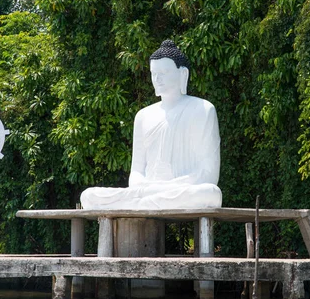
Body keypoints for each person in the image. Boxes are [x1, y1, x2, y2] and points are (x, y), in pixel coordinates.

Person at [80, 40, 222, 210]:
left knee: (210, 193)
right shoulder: (143, 116)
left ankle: (140, 203)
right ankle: (144, 202)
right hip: (149, 192)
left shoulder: (203, 109)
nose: (158, 78)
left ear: (183, 74)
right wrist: (145, 188)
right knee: (88, 196)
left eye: (164, 72)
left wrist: (161, 188)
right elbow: (136, 174)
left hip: (181, 190)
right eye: (154, 73)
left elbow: (209, 175)